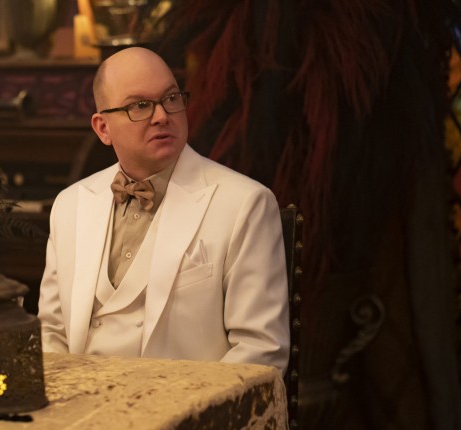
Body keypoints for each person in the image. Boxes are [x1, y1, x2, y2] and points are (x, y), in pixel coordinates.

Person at [37, 47, 289, 373]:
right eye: (140, 105)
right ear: (103, 128)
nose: (161, 116)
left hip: (192, 404)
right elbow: (51, 334)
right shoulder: (70, 205)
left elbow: (261, 350)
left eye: (171, 98)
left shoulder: (246, 203)